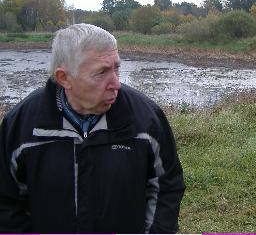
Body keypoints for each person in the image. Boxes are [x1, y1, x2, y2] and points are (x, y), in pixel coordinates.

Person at [0, 23, 185, 233]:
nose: (116, 83)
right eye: (102, 72)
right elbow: (6, 202)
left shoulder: (146, 118)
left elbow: (167, 187)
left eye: (116, 68)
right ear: (64, 78)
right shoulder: (22, 124)